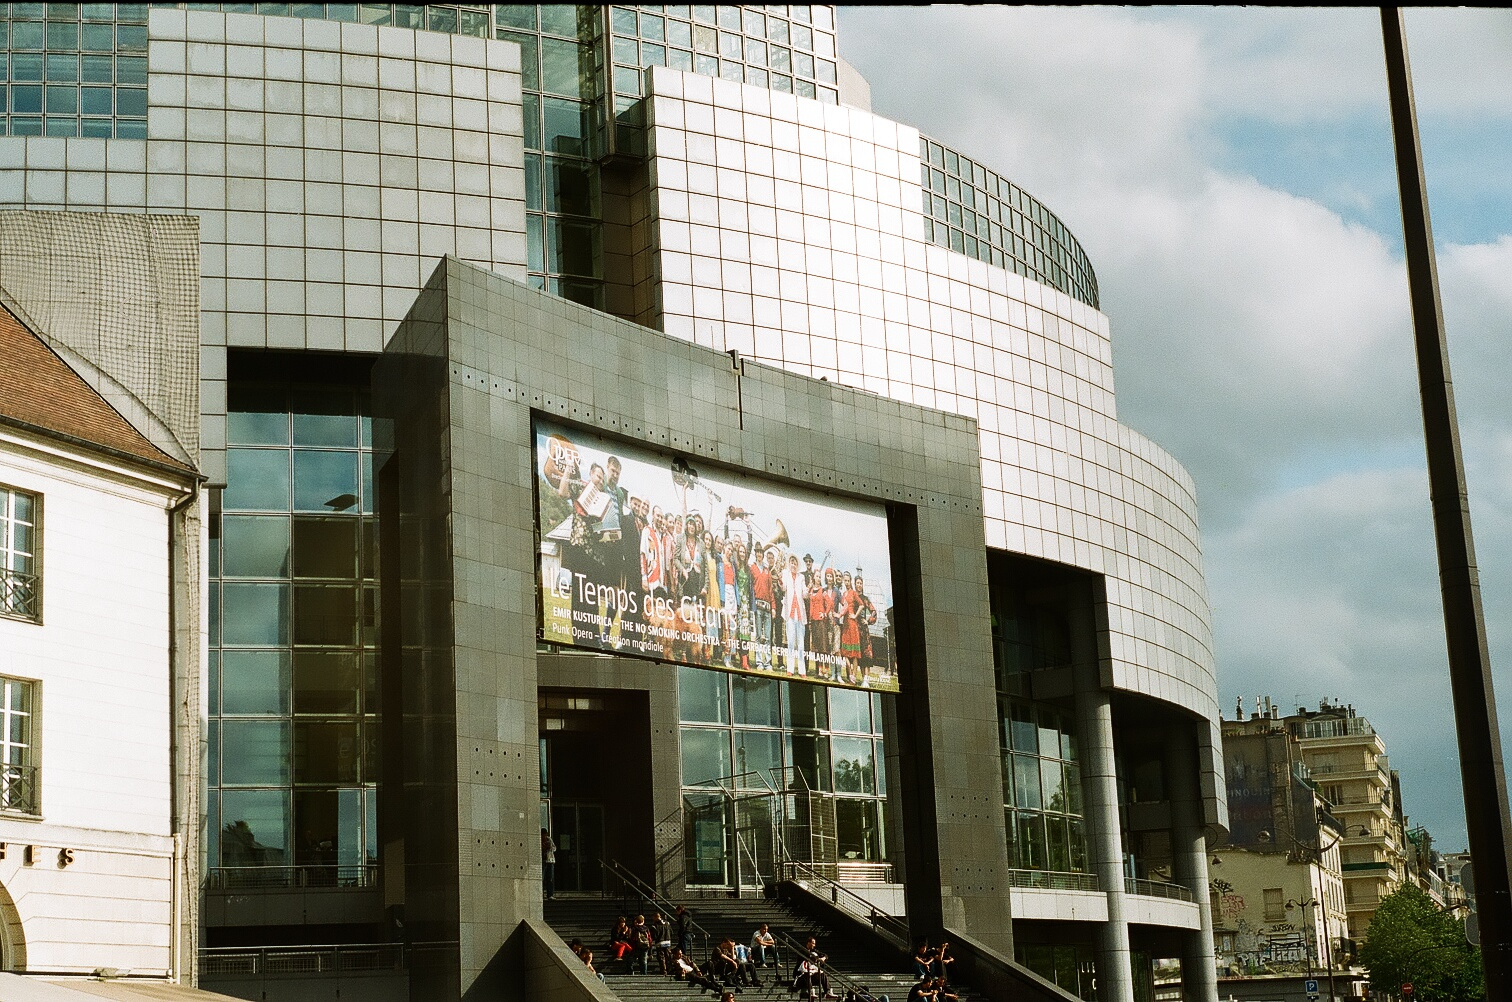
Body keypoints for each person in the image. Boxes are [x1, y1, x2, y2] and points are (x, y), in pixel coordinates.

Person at [780, 553, 808, 674]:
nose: (793, 565)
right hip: (789, 613)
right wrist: (780, 582)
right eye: (792, 562)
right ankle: (790, 669)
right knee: (790, 642)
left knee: (800, 644)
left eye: (795, 563)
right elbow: (783, 588)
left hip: (800, 614)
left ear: (797, 565)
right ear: (789, 564)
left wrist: (808, 589)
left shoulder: (801, 577)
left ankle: (802, 671)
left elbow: (804, 594)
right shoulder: (785, 574)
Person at [541, 829, 556, 900]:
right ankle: (541, 894)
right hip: (543, 860)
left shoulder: (549, 840)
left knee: (550, 878)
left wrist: (549, 847)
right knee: (542, 878)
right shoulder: (539, 840)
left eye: (545, 834)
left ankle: (550, 894)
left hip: (549, 860)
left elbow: (554, 848)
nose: (544, 836)